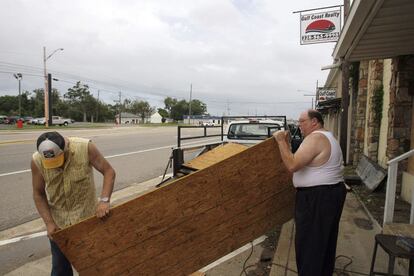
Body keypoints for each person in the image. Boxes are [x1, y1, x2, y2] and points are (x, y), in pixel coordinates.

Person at [31, 131, 116, 276]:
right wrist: (49, 223)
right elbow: (38, 194)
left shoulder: (85, 148)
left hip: (87, 221)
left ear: (66, 148)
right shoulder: (37, 160)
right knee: (60, 270)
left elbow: (109, 171)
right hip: (59, 226)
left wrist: (104, 201)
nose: (56, 166)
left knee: (94, 267)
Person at [273, 110, 346, 276]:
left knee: (310, 247)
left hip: (317, 198)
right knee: (323, 245)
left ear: (314, 122)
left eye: (302, 121)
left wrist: (280, 141)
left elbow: (292, 165)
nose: (299, 125)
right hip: (328, 194)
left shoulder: (316, 138)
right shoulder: (328, 136)